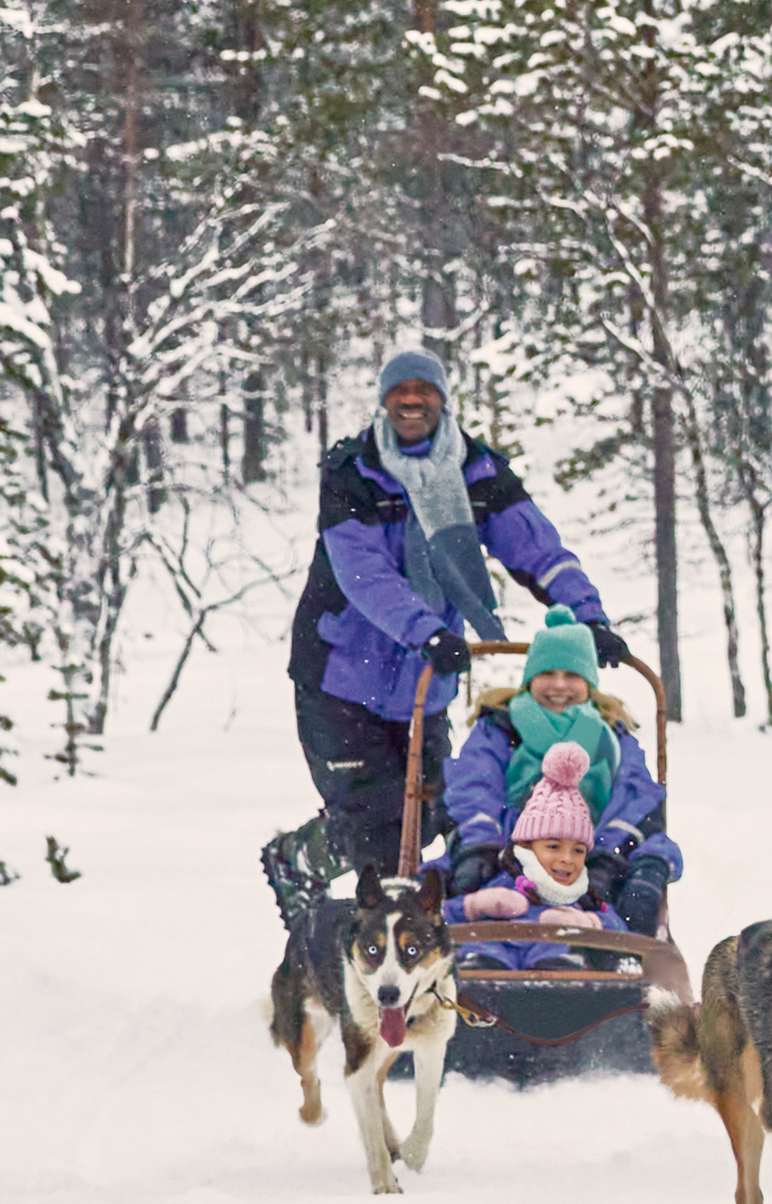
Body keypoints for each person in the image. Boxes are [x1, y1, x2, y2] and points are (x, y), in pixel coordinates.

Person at [290, 347, 617, 874]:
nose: (412, 400)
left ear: (442, 400)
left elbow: (536, 548)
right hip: (343, 675)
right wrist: (428, 630)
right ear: (384, 401)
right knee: (380, 828)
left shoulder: (477, 471)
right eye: (400, 391)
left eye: (424, 391)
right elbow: (363, 575)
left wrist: (588, 616)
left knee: (435, 813)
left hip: (423, 677)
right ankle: (304, 860)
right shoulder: (354, 472)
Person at [442, 608, 679, 935]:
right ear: (530, 679)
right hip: (508, 850)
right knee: (441, 887)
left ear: (589, 683)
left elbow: (634, 796)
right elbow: (474, 786)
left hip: (587, 852)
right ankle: (487, 945)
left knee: (632, 893)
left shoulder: (611, 734)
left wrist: (605, 857)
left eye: (572, 675)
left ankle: (590, 948)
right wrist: (483, 846)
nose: (559, 685)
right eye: (547, 673)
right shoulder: (501, 726)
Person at [442, 738, 648, 972]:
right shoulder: (504, 876)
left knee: (561, 957)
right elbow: (446, 914)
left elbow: (616, 927)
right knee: (482, 954)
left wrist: (589, 922)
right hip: (493, 947)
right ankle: (482, 970)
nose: (566, 858)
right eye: (553, 847)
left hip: (555, 954)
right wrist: (475, 905)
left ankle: (556, 980)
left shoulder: (582, 892)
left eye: (578, 850)